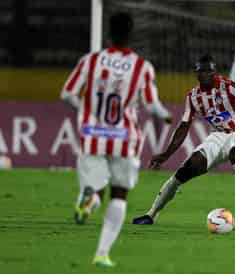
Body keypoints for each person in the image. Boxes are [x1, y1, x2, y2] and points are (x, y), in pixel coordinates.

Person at [60, 12, 171, 267]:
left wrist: (86, 114)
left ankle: (89, 200)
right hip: (125, 137)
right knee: (119, 194)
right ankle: (102, 253)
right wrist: (165, 116)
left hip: (92, 135)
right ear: (132, 34)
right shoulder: (142, 67)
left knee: (96, 187)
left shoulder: (91, 61)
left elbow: (67, 93)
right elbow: (153, 106)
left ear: (109, 33)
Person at [132, 54, 235, 228]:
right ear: (197, 73)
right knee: (186, 170)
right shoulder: (193, 96)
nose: (205, 74)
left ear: (214, 72)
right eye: (201, 71)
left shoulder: (231, 86)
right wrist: (166, 154)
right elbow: (183, 126)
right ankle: (151, 214)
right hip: (217, 137)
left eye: (209, 71)